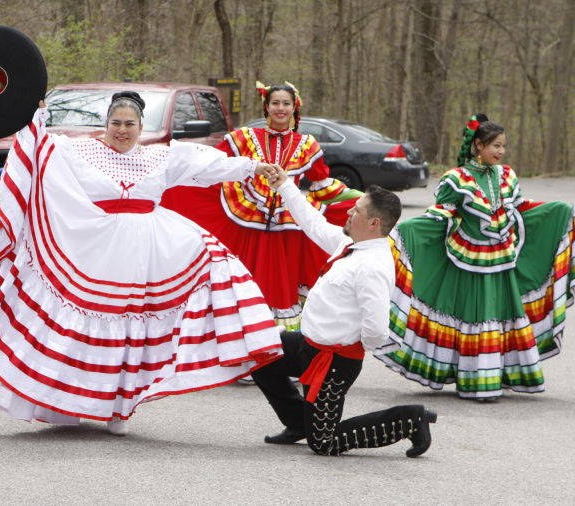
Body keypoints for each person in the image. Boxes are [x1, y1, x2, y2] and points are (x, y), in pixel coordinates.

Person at [0, 92, 284, 436]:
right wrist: (36, 115)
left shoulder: (160, 156)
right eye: (116, 123)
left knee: (141, 322)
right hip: (93, 248)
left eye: (129, 124)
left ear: (141, 127)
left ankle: (119, 407)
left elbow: (206, 163)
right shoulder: (80, 150)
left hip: (146, 254)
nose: (122, 130)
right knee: (79, 327)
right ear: (106, 125)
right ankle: (66, 402)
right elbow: (40, 147)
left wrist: (253, 167)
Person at [375, 114, 575, 400]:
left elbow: (519, 208)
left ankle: (494, 378)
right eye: (496, 145)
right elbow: (443, 212)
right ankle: (473, 379)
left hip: (502, 260)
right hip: (467, 261)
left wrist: (559, 212)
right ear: (478, 145)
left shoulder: (506, 174)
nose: (501, 152)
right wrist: (409, 229)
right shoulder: (457, 178)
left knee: (500, 315)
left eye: (504, 146)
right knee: (474, 316)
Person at [252, 167, 437, 457]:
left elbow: (376, 329)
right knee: (260, 353)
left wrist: (345, 346)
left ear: (374, 222)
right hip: (307, 344)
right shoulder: (350, 243)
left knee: (324, 444)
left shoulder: (373, 266)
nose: (350, 210)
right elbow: (312, 223)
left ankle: (411, 420)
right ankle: (299, 423)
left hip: (334, 362)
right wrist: (285, 185)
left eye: (357, 209)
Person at [161, 82, 361, 331]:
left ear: (294, 108)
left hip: (288, 225)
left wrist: (360, 199)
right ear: (266, 107)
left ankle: (281, 340)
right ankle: (240, 331)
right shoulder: (244, 138)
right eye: (275, 103)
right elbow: (213, 165)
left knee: (281, 282)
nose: (280, 108)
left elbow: (322, 185)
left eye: (286, 103)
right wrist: (172, 172)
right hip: (247, 221)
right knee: (243, 277)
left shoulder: (308, 144)